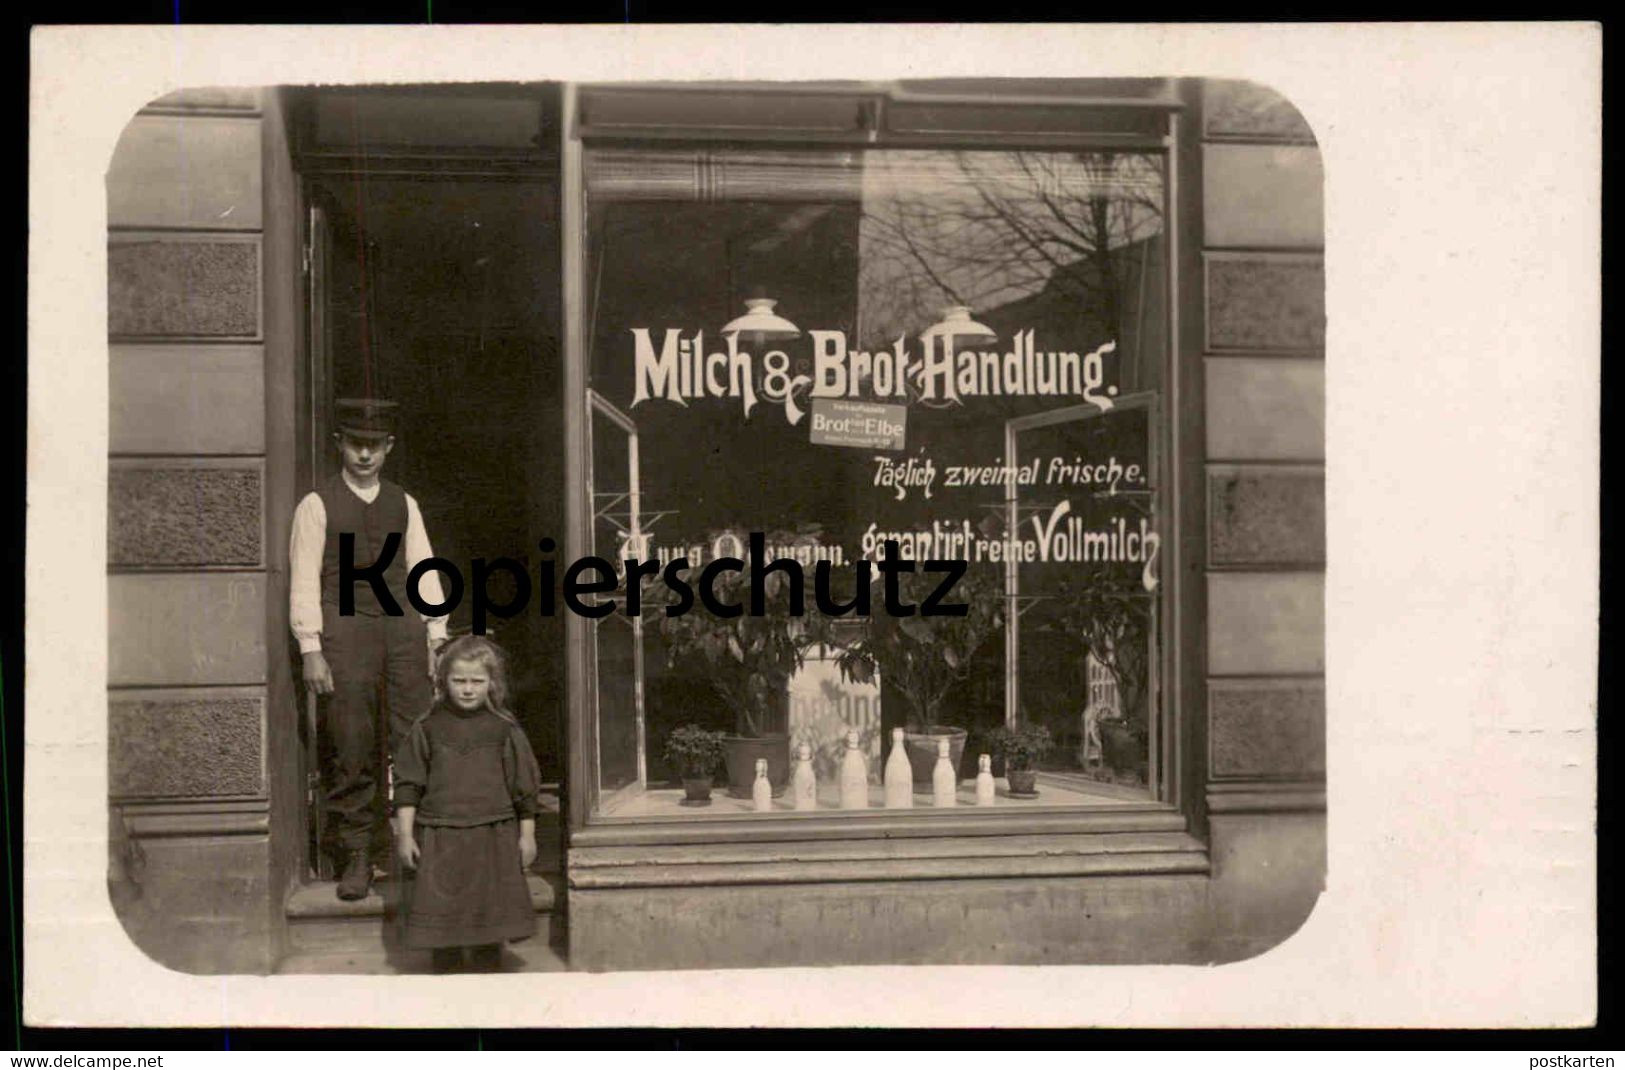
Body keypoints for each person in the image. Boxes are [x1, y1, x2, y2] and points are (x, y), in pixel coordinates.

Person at [289, 398, 450, 900]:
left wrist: (436, 632)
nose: (364, 455)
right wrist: (310, 646)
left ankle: (412, 842)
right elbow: (302, 580)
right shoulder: (317, 504)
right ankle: (357, 852)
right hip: (345, 629)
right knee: (351, 741)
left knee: (412, 736)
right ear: (340, 444)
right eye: (355, 444)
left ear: (388, 448)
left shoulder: (404, 502)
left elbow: (423, 566)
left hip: (403, 630)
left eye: (374, 446)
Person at [393, 636, 541, 973]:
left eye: (478, 681)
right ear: (443, 681)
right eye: (459, 680)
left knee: (490, 924)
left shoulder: (505, 729)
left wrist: (527, 835)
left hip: (493, 834)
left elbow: (524, 789)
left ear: (492, 683)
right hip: (441, 835)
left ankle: (486, 983)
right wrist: (405, 835)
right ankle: (448, 983)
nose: (468, 689)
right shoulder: (426, 728)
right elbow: (408, 784)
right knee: (443, 928)